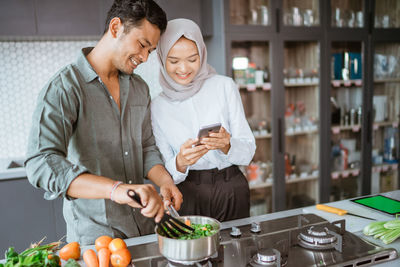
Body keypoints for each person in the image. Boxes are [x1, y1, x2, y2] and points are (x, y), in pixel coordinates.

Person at [24, 0, 182, 245]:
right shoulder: (65, 88)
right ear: (116, 27)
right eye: (142, 45)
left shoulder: (139, 88)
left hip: (144, 228)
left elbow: (147, 147)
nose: (144, 57)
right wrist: (115, 189)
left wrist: (165, 181)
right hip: (97, 238)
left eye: (150, 51)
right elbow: (41, 162)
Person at [151, 18, 256, 222]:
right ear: (162, 59)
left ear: (202, 53)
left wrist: (227, 145)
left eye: (192, 59)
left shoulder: (224, 86)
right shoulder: (157, 106)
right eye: (173, 61)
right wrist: (180, 162)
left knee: (237, 250)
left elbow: (248, 151)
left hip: (231, 188)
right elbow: (165, 169)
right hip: (186, 193)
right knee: (192, 251)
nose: (183, 69)